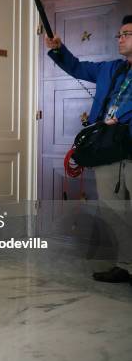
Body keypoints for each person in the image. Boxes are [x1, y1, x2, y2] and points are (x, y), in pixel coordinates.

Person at [45, 15, 132, 285]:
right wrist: (58, 49)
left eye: (126, 34)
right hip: (108, 152)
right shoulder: (110, 69)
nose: (120, 39)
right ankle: (125, 265)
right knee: (114, 211)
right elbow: (78, 68)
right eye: (118, 34)